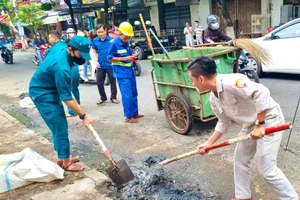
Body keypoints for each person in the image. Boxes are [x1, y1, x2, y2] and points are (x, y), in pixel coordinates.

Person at [187, 56, 299, 200]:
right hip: (250, 125)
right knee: (240, 159)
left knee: (266, 169)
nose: (192, 83)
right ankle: (243, 197)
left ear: (201, 79)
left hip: (269, 120)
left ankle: (291, 198)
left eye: (192, 79)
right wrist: (208, 144)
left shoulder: (232, 82)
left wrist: (260, 124)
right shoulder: (213, 98)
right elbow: (223, 122)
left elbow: (262, 92)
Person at [29, 36, 93, 172]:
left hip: (52, 88)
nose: (83, 58)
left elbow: (66, 91)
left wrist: (70, 95)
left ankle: (62, 157)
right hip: (42, 93)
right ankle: (67, 162)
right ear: (71, 49)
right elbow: (67, 99)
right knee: (59, 125)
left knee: (58, 125)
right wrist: (83, 116)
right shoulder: (61, 66)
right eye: (80, 54)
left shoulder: (61, 46)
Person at [107, 21, 144, 123]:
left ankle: (134, 113)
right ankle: (128, 116)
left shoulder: (126, 42)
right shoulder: (114, 43)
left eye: (129, 36)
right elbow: (109, 58)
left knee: (134, 93)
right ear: (120, 34)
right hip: (122, 73)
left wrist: (133, 54)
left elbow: (129, 53)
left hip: (130, 71)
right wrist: (126, 58)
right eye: (126, 36)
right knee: (127, 95)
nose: (128, 38)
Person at [92, 24, 119, 105]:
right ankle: (103, 97)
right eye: (98, 32)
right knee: (99, 82)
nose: (100, 34)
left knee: (113, 81)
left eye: (102, 32)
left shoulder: (111, 40)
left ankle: (113, 97)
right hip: (100, 65)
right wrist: (95, 60)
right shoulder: (95, 40)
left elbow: (115, 51)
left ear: (105, 31)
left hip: (110, 65)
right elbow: (94, 51)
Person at [65, 28, 82, 117]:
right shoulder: (77, 42)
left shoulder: (68, 45)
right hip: (74, 68)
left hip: (71, 69)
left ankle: (73, 110)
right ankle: (77, 106)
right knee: (74, 88)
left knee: (70, 89)